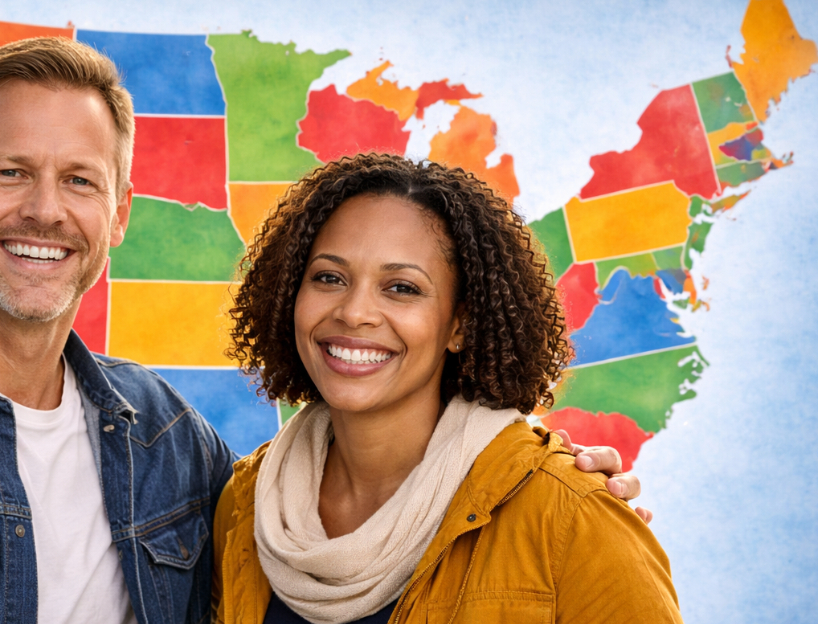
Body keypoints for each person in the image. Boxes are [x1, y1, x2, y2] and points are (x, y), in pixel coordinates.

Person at [0, 38, 644, 624]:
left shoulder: (166, 439)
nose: (45, 211)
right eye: (10, 173)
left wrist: (549, 483)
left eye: (81, 181)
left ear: (120, 214)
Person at [213, 154, 681, 623]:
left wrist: (586, 515)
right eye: (329, 278)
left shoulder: (569, 517)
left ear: (461, 323)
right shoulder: (246, 505)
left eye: (402, 288)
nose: (354, 312)